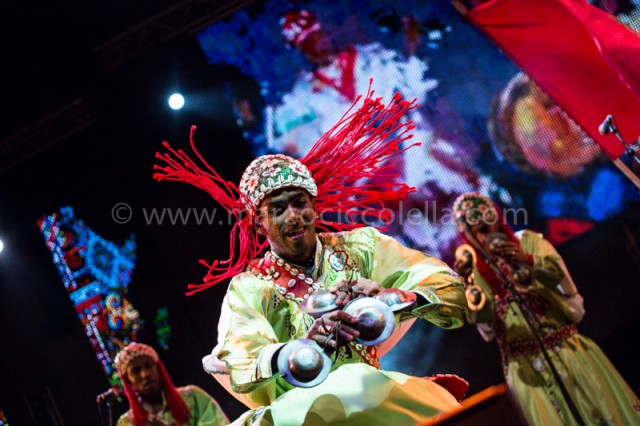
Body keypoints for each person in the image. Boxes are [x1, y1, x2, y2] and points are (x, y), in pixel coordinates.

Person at [155, 90, 469, 425]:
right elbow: (240, 356)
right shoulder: (250, 287)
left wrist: (394, 299)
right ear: (258, 225)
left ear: (314, 206)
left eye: (300, 203)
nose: (293, 216)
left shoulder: (359, 246)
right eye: (277, 209)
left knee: (389, 393)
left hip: (371, 388)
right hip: (304, 411)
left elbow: (447, 287)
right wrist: (301, 348)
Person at [450, 191, 640, 426]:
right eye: (476, 231)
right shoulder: (473, 271)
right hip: (526, 372)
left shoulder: (528, 242)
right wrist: (469, 284)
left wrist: (527, 260)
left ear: (497, 219)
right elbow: (486, 328)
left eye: (487, 226)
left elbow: (562, 281)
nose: (485, 235)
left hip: (569, 353)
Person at [114, 342, 229, 426]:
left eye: (148, 366)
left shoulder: (192, 396)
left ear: (158, 369)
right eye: (136, 371)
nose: (145, 374)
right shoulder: (127, 422)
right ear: (128, 380)